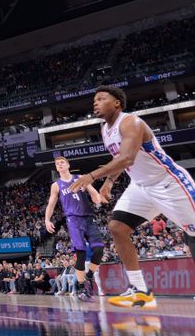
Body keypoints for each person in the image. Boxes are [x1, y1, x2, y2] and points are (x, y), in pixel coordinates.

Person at [71, 85, 195, 308]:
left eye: (101, 99)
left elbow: (127, 157)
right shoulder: (105, 130)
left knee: (193, 233)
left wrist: (92, 176)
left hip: (168, 182)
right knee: (117, 227)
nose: (95, 103)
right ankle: (141, 291)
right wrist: (109, 181)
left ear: (117, 102)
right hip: (140, 186)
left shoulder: (131, 122)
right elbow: (120, 157)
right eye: (94, 101)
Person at [44, 156, 104, 301]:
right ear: (56, 168)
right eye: (57, 164)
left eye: (62, 162)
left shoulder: (80, 177)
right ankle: (81, 287)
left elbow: (93, 191)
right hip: (73, 220)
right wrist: (47, 220)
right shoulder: (56, 185)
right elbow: (51, 204)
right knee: (81, 253)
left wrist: (96, 197)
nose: (59, 164)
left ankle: (89, 276)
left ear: (68, 165)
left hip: (88, 217)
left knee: (99, 250)